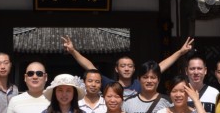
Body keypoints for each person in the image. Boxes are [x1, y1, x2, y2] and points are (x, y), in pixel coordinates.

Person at [62, 36, 194, 98]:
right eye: (123, 66)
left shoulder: (140, 84)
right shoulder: (109, 85)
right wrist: (73, 51)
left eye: (130, 66)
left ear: (134, 69)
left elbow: (160, 67)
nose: (126, 68)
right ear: (116, 69)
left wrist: (180, 52)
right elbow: (89, 66)